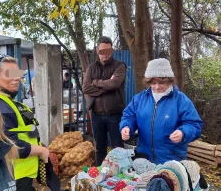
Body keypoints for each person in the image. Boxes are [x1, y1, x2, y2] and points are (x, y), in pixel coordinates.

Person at [0, 54, 53, 191]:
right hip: (13, 178)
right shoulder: (0, 107)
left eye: (18, 74)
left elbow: (27, 133)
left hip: (22, 176)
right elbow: (8, 144)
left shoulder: (10, 103)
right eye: (10, 74)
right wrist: (41, 150)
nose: (17, 78)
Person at [120, 58, 203, 164]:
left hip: (171, 159)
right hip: (144, 158)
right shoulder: (139, 99)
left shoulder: (181, 100)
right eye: (153, 83)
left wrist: (183, 132)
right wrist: (126, 126)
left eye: (161, 83)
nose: (157, 87)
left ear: (169, 80)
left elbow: (194, 125)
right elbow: (129, 116)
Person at [83, 36, 126, 166]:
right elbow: (86, 88)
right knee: (99, 148)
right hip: (96, 114)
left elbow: (114, 84)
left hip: (115, 114)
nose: (105, 55)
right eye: (102, 51)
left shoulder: (119, 66)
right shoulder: (91, 68)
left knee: (117, 148)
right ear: (97, 50)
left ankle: (119, 177)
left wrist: (95, 82)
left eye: (108, 51)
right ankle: (100, 174)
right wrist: (106, 86)